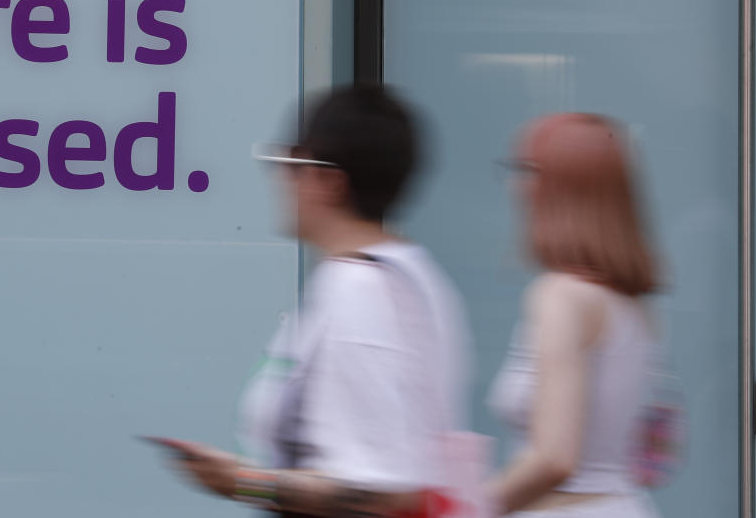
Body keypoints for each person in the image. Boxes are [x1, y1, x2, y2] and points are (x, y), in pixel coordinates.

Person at [150, 84, 474, 517]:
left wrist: (242, 483)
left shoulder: (359, 290)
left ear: (328, 181)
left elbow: (377, 491)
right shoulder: (415, 273)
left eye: (291, 166)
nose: (281, 180)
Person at [486, 113, 664, 517]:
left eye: (527, 171)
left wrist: (465, 509)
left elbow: (555, 458)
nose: (517, 186)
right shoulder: (630, 305)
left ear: (561, 186)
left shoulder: (561, 296)